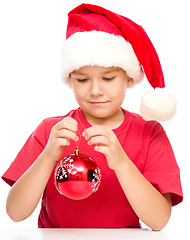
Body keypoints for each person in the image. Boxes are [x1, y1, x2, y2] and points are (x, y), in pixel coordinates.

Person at [2, 3, 183, 230]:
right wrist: (48, 156)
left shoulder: (149, 133)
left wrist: (122, 163)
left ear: (128, 77)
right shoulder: (50, 131)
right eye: (82, 79)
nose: (95, 90)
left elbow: (159, 221)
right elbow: (15, 213)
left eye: (108, 78)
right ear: (70, 78)